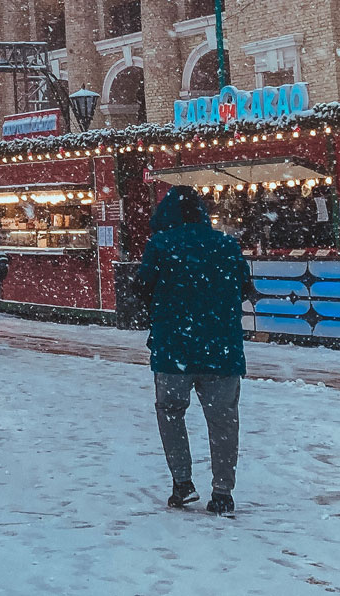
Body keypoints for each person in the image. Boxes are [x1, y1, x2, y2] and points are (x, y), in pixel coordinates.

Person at [135, 185, 251, 517]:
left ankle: (183, 483)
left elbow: (142, 288)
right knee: (223, 421)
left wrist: (167, 305)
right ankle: (223, 492)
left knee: (171, 412)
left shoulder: (159, 245)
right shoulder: (227, 245)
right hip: (222, 349)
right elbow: (245, 287)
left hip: (174, 349)